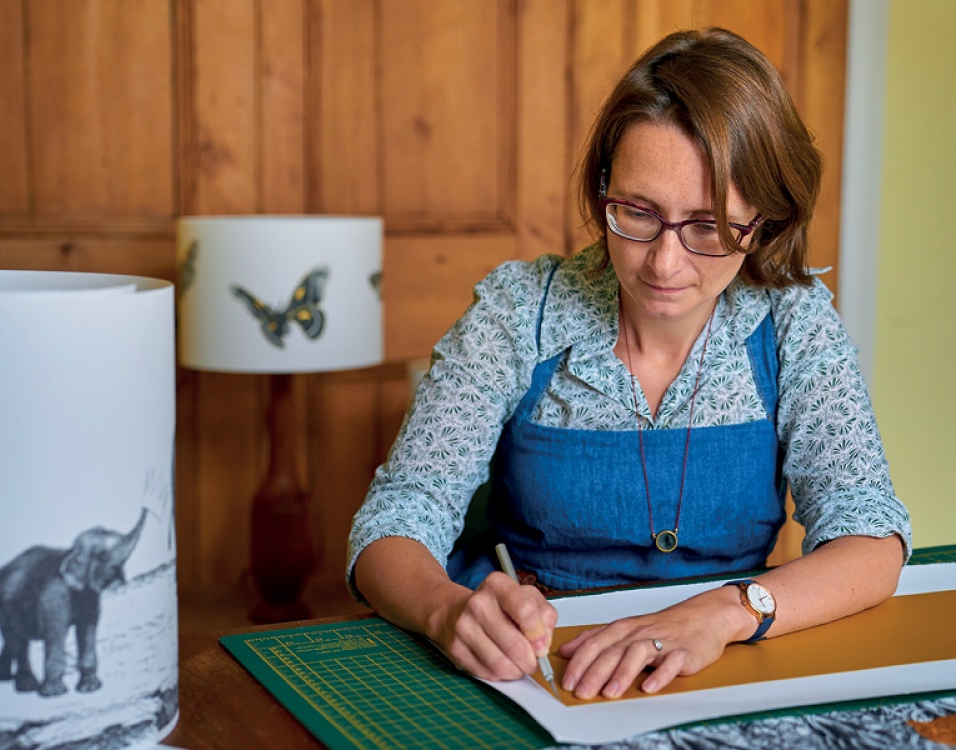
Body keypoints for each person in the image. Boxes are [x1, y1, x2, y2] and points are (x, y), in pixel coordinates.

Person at [347, 27, 911, 700]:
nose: (664, 263)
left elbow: (870, 537)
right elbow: (393, 522)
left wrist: (723, 613)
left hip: (720, 661)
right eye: (637, 213)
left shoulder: (792, 321)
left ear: (767, 218)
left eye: (708, 226)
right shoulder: (516, 311)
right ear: (603, 187)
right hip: (533, 672)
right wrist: (446, 611)